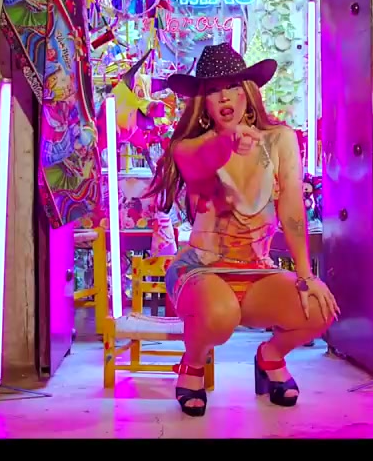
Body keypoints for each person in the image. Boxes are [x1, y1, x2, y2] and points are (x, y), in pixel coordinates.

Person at [145, 43, 338, 417]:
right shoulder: (187, 147)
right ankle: (192, 364)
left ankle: (270, 357)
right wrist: (227, 140)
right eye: (214, 90)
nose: (225, 97)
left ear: (248, 90)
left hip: (255, 271)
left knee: (318, 307)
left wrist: (305, 274)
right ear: (203, 101)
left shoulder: (280, 139)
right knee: (220, 314)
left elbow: (292, 209)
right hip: (200, 270)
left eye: (233, 85)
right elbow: (199, 162)